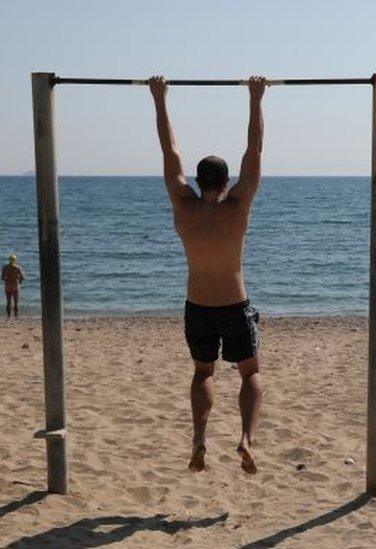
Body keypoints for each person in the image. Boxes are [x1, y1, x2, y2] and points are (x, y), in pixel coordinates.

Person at [149, 75, 267, 474]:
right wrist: (255, 98)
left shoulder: (183, 205)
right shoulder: (238, 206)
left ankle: (199, 438)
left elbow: (170, 149)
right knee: (249, 373)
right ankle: (246, 439)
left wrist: (159, 98)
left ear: (199, 182)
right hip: (235, 304)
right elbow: (254, 148)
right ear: (227, 180)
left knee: (203, 372)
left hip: (197, 305)